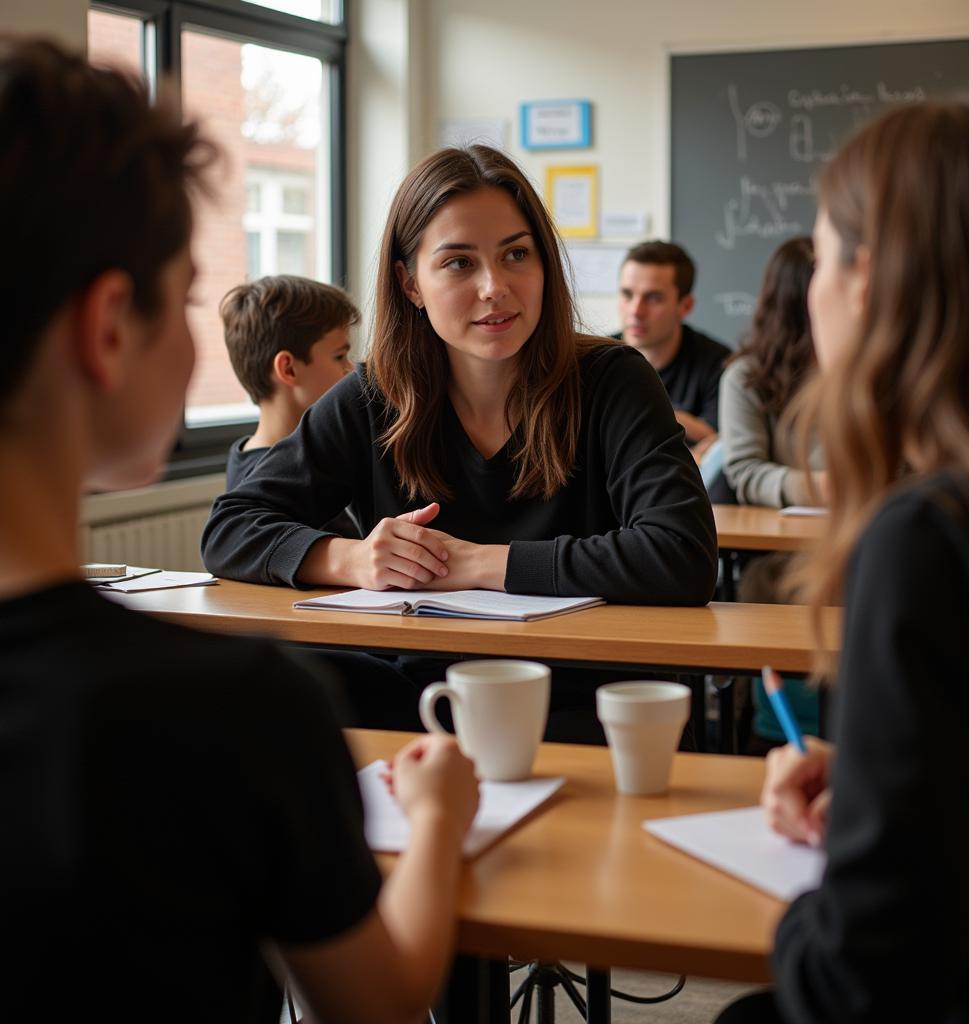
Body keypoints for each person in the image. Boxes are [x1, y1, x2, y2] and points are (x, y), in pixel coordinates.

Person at [0, 36, 479, 1023]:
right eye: (179, 298)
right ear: (106, 327)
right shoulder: (237, 712)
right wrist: (436, 821)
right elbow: (379, 1003)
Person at [715, 94, 969, 1023]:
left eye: (823, 251)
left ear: (868, 280)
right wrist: (878, 774)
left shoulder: (932, 537)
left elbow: (870, 976)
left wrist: (804, 909)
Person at [201, 148, 717, 607]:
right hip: (413, 690)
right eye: (458, 263)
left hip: (578, 691)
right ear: (410, 284)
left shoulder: (614, 379)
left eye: (516, 254)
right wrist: (354, 560)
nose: (494, 287)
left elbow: (682, 555)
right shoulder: (371, 396)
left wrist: (473, 563)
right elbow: (229, 529)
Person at [718, 237, 825, 751]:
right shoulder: (747, 376)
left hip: (858, 535)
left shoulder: (866, 370)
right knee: (777, 585)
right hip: (782, 550)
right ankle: (779, 737)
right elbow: (744, 470)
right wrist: (818, 486)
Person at [221, 273, 361, 535]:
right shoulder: (279, 480)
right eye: (339, 356)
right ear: (288, 368)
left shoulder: (246, 455)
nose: (351, 369)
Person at [719, 236, 824, 510]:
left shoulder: (874, 371)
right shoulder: (745, 377)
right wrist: (824, 488)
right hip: (779, 539)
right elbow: (745, 471)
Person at [614, 240, 731, 459]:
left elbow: (717, 446)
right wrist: (684, 422)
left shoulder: (719, 364)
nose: (636, 311)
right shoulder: (596, 358)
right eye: (627, 295)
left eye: (653, 298)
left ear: (685, 306)